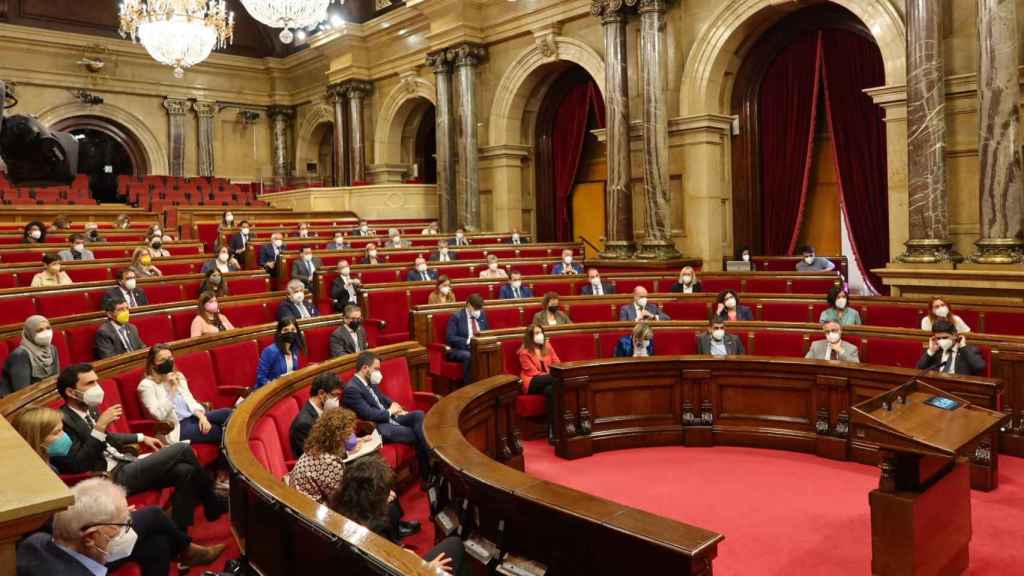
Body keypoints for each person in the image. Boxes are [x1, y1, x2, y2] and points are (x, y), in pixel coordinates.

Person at [51, 364, 225, 531]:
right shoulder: (62, 421)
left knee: (184, 471)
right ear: (71, 392)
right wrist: (99, 428)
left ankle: (180, 533)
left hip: (125, 462)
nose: (97, 387)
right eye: (90, 383)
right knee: (182, 449)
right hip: (110, 476)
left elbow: (108, 438)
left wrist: (141, 437)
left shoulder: (90, 409)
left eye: (96, 381)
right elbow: (79, 464)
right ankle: (211, 501)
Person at [16, 477, 225, 576]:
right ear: (90, 536)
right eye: (124, 524)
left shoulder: (36, 541)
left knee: (156, 543)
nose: (129, 528)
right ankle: (188, 552)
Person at [330, 456, 465, 575]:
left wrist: (401, 552)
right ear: (372, 499)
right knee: (455, 545)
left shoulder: (339, 513)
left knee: (392, 510)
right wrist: (427, 570)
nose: (392, 494)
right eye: (385, 493)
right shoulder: (369, 537)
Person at [342, 351, 430, 482]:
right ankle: (428, 473)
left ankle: (429, 467)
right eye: (376, 369)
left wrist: (396, 406)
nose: (378, 373)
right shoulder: (352, 389)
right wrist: (390, 411)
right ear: (365, 368)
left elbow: (382, 397)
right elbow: (368, 414)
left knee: (419, 415)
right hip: (380, 427)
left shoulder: (369, 381)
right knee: (418, 433)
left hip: (391, 417)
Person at [138, 344, 233, 444]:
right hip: (176, 427)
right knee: (219, 431)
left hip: (192, 417)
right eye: (162, 360)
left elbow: (191, 401)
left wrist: (202, 417)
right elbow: (158, 415)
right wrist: (172, 391)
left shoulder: (178, 376)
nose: (168, 362)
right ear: (153, 364)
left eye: (170, 358)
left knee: (228, 413)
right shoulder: (147, 385)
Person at [287, 407, 359, 504]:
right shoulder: (330, 463)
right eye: (349, 433)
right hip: (312, 510)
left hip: (299, 501)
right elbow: (339, 500)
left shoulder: (315, 447)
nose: (352, 436)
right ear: (338, 437)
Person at [518, 324, 560, 444]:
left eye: (541, 332)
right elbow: (532, 372)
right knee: (559, 378)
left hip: (549, 380)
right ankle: (562, 382)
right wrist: (553, 375)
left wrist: (553, 374)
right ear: (530, 337)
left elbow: (557, 363)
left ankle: (553, 431)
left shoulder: (547, 346)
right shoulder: (524, 352)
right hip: (532, 382)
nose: (540, 335)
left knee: (550, 391)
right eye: (537, 333)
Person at [0, 315, 59, 397]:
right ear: (30, 333)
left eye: (48, 328)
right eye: (39, 330)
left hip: (43, 396)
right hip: (19, 402)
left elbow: (55, 380)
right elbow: (22, 392)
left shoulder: (52, 349)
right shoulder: (20, 355)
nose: (46, 332)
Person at [290, 372, 344, 458]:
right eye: (335, 395)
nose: (337, 400)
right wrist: (346, 451)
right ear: (321, 394)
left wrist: (355, 442)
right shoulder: (304, 424)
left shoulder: (325, 411)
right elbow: (316, 457)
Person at [444, 294, 489, 383]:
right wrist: (468, 341)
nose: (478, 311)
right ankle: (469, 386)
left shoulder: (481, 315)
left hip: (478, 347)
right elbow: (450, 337)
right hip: (460, 348)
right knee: (469, 355)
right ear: (468, 305)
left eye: (479, 308)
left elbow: (486, 332)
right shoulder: (456, 317)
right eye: (475, 308)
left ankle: (488, 384)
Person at [917, 319, 986, 376]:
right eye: (938, 338)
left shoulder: (968, 350)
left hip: (959, 388)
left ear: (955, 335)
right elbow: (919, 368)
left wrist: (963, 347)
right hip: (937, 385)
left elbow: (980, 367)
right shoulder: (936, 350)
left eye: (945, 337)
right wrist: (931, 351)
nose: (941, 341)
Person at [255, 318, 303, 389]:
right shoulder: (270, 351)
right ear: (280, 333)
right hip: (270, 391)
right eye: (286, 330)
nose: (290, 333)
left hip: (287, 388)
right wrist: (274, 386)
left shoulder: (295, 349)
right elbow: (261, 377)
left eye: (293, 330)